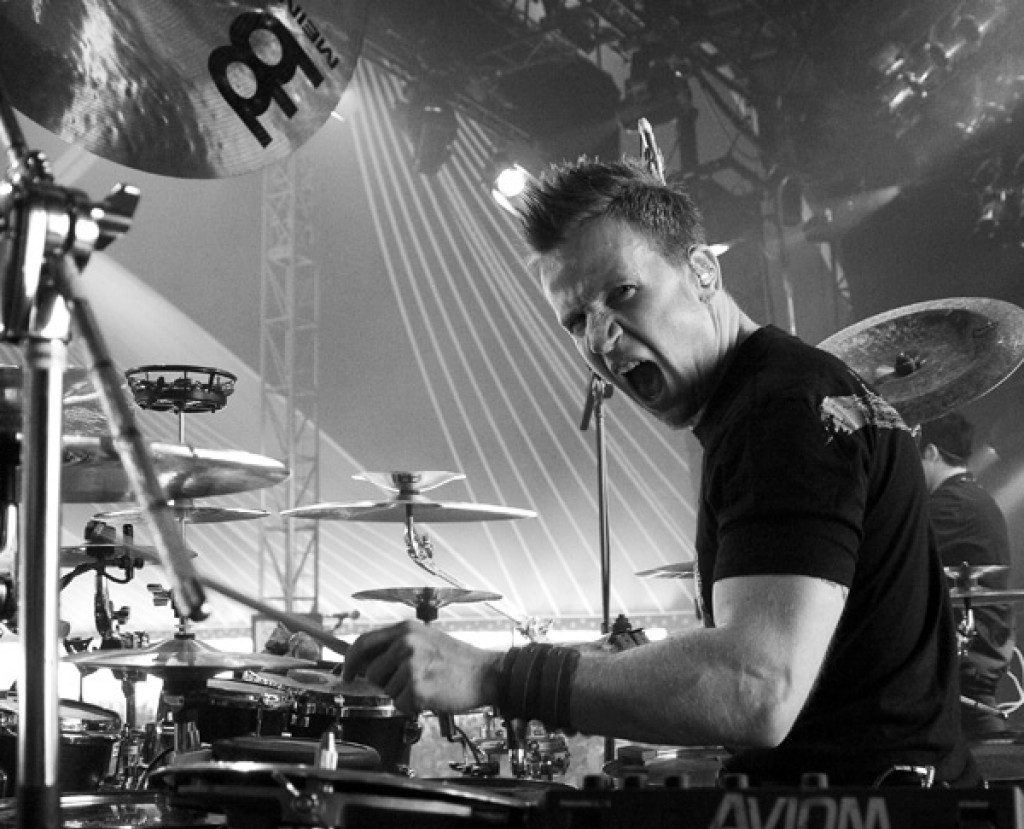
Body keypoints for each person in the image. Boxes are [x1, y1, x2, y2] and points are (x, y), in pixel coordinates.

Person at [344, 157, 976, 788]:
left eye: (623, 293)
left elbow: (756, 689)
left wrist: (494, 676)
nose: (601, 340)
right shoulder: (784, 392)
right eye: (576, 321)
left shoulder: (779, 412)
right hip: (878, 808)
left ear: (702, 271)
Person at [917, 412, 1016, 740]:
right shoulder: (974, 496)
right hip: (982, 651)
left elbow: (897, 559)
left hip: (966, 658)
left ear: (931, 452)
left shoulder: (951, 505)